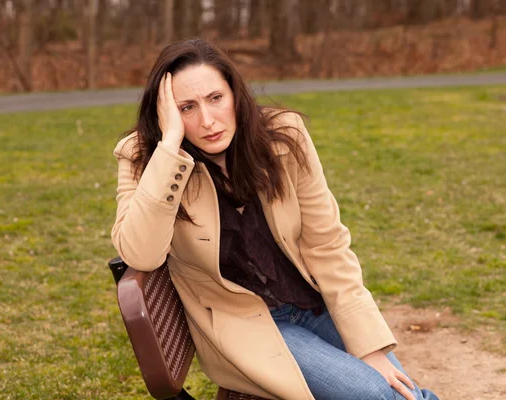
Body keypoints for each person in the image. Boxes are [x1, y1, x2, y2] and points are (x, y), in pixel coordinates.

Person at [111, 39, 439, 400]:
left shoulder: (283, 138)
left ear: (235, 93)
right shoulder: (144, 160)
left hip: (315, 303)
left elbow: (326, 242)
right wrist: (170, 145)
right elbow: (140, 254)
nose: (207, 121)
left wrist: (370, 349)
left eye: (216, 98)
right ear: (165, 113)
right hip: (250, 327)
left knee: (402, 391)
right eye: (186, 107)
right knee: (378, 394)